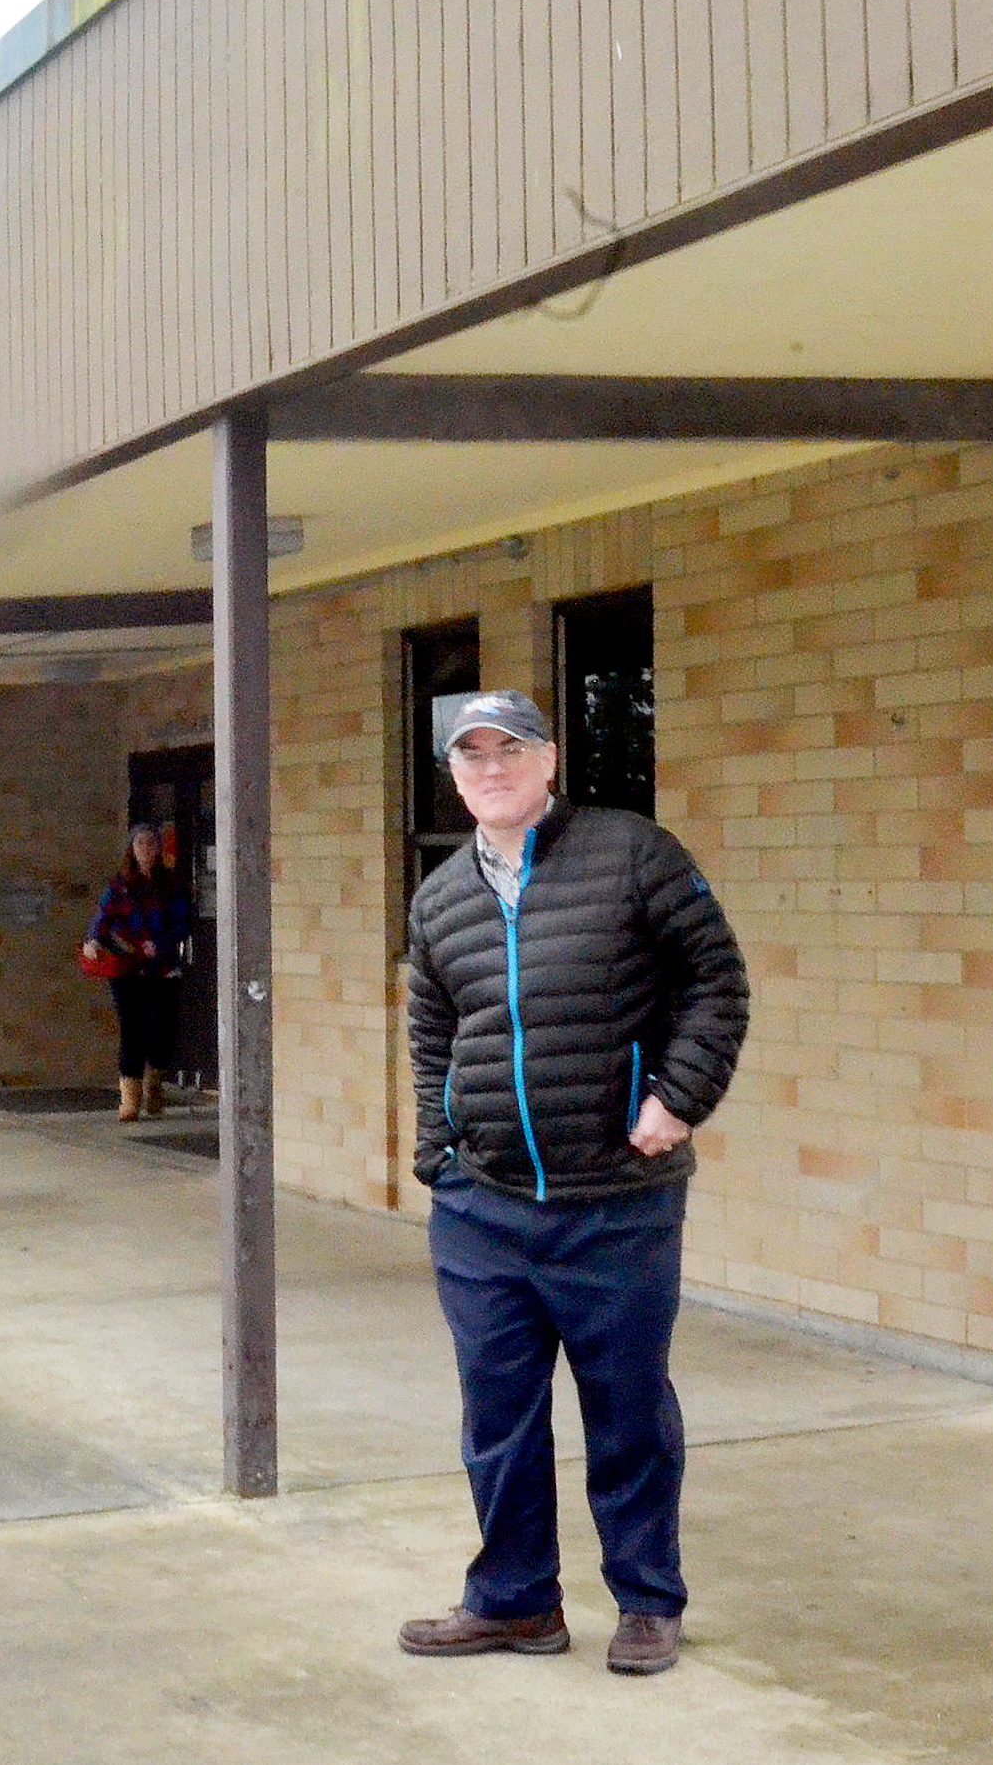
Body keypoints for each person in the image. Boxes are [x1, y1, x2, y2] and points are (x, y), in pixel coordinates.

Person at [398, 688, 749, 1677]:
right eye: (471, 756)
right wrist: (440, 1151)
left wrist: (677, 1099)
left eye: (510, 749)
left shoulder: (632, 853)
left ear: (549, 759)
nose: (491, 768)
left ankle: (645, 1600)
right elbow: (432, 1038)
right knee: (496, 1418)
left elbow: (717, 981)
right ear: (453, 775)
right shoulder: (439, 899)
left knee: (626, 1409)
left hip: (617, 1202)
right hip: (483, 1206)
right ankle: (513, 1603)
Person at [83, 821, 194, 1121]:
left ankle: (154, 1085)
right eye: (140, 843)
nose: (146, 849)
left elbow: (183, 921)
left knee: (162, 1031)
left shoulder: (171, 884)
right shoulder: (119, 886)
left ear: (158, 849)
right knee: (132, 1031)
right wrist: (92, 941)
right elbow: (102, 918)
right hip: (127, 968)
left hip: (163, 968)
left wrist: (162, 943)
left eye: (151, 843)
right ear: (131, 849)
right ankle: (129, 1101)